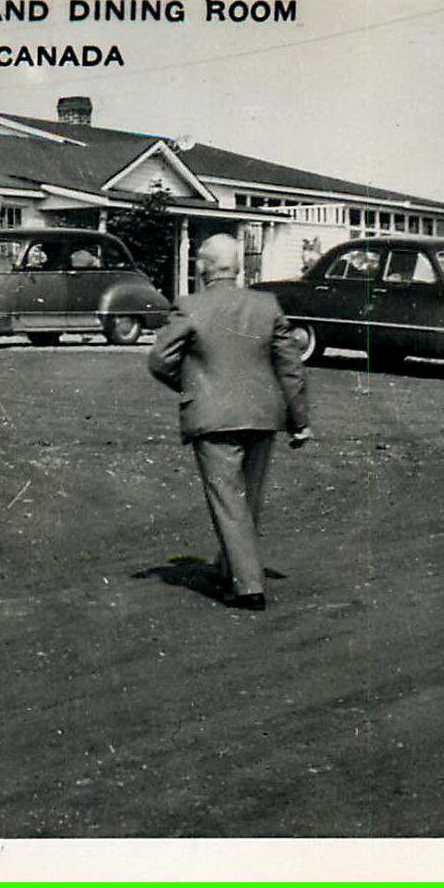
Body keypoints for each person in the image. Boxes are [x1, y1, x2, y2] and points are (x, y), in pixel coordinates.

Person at [147, 233, 312, 611]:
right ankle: (230, 570)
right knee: (246, 500)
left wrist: (193, 385)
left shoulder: (190, 307)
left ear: (203, 267)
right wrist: (299, 420)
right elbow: (291, 367)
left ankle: (248, 586)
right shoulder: (267, 305)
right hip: (262, 415)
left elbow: (159, 359)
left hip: (213, 417)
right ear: (237, 268)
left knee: (228, 500)